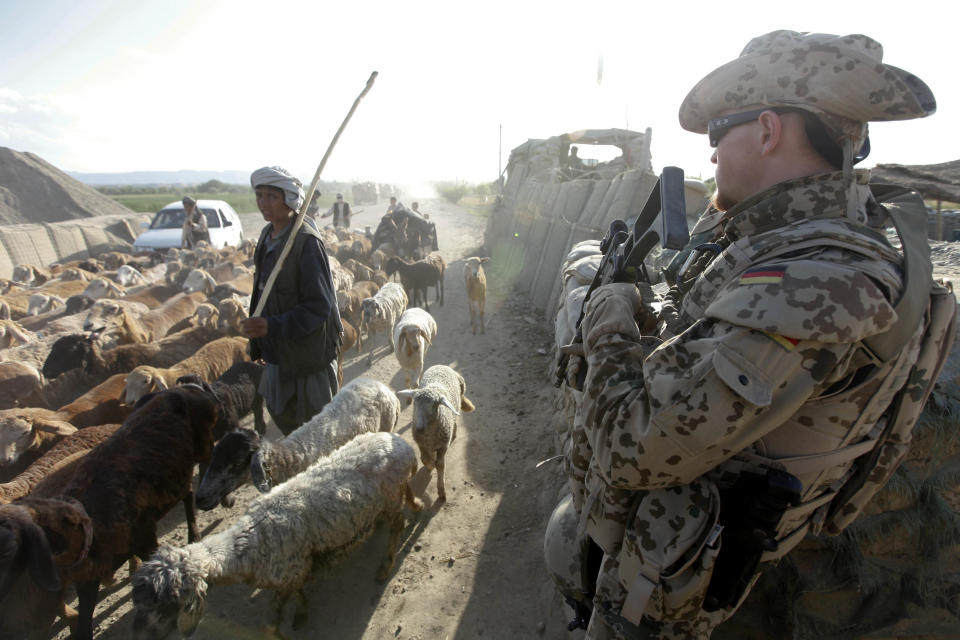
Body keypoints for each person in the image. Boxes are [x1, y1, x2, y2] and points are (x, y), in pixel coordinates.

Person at [545, 31, 951, 639]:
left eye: (717, 134)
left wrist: (606, 313)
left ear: (767, 131)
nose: (710, 157)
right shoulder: (792, 244)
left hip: (672, 573)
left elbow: (630, 449)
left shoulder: (816, 281)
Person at [240, 166, 342, 435]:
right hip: (278, 352)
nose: (263, 203)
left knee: (317, 429)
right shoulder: (266, 235)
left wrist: (271, 326)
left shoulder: (306, 242)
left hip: (309, 355)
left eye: (271, 196)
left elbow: (319, 305)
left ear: (290, 198)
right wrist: (258, 341)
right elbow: (262, 290)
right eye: (259, 195)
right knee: (280, 412)